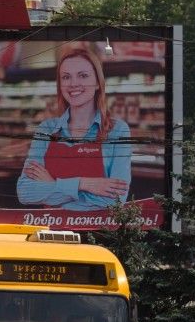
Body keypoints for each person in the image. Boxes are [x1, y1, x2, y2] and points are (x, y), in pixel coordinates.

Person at [17, 44, 131, 210]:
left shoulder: (117, 130)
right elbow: (25, 192)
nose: (73, 84)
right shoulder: (46, 129)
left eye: (83, 75)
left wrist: (52, 184)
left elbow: (115, 200)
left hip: (97, 232)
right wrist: (84, 184)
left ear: (98, 83)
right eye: (66, 77)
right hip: (51, 230)